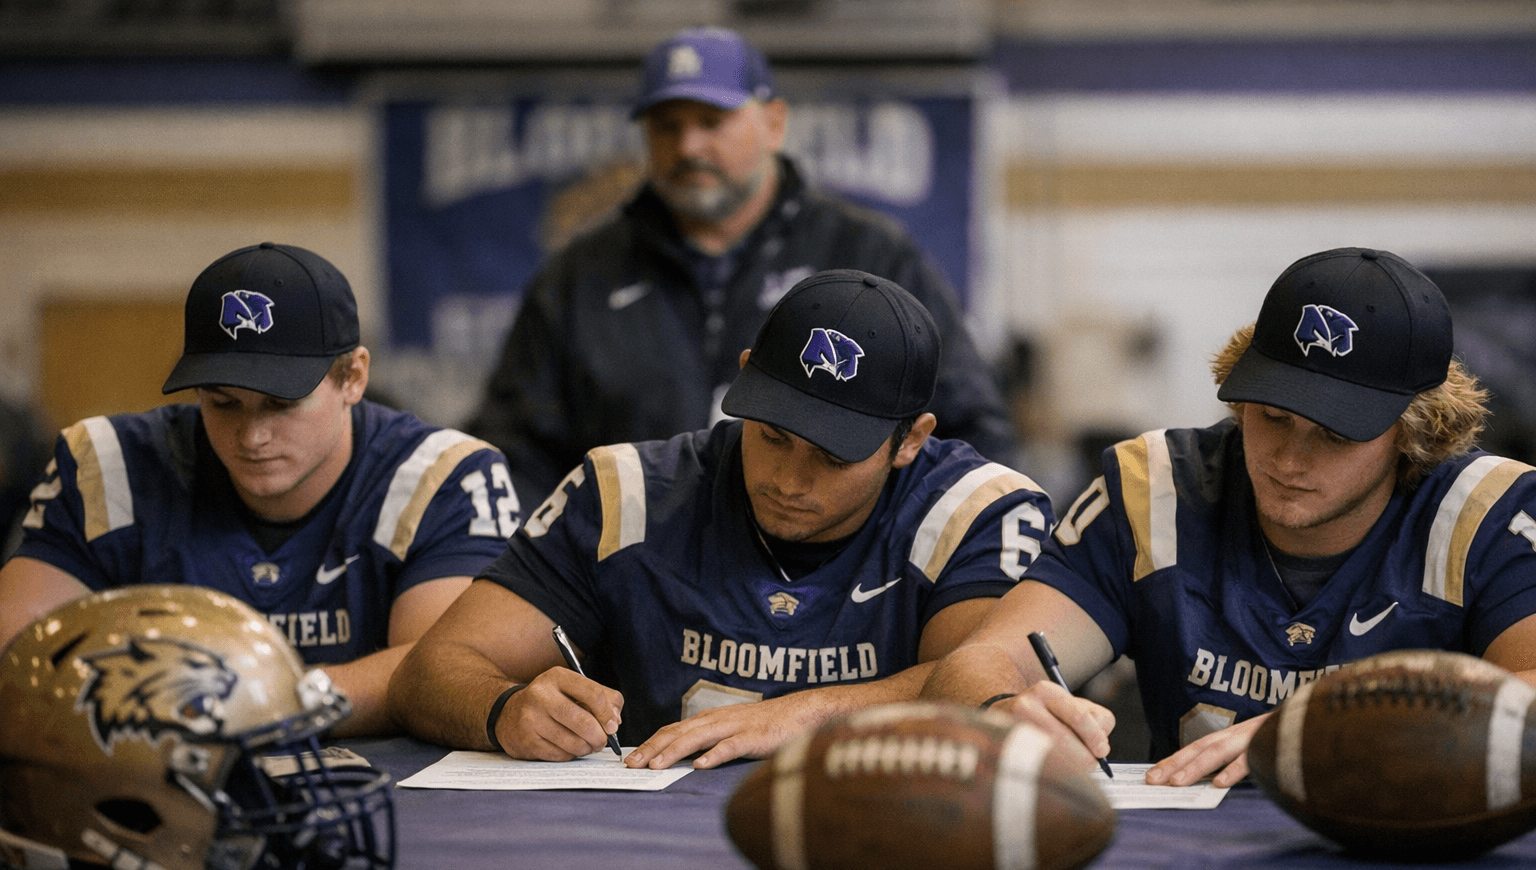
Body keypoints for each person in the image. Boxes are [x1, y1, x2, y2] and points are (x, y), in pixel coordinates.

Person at [922, 246, 1536, 786]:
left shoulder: (1486, 514)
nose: (1290, 459)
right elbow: (974, 663)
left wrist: (1324, 728)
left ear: (1415, 430)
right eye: (1272, 417)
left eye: (1335, 433)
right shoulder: (1154, 490)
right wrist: (1005, 707)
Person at [391, 270, 1052, 770]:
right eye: (772, 435)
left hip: (890, 837)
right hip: (643, 843)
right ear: (745, 381)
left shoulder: (977, 510)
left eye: (832, 454)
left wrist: (807, 714)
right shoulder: (627, 493)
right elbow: (431, 670)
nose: (791, 480)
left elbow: (982, 681)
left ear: (911, 439)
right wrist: (503, 709)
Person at [465, 25, 1015, 504]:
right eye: (666, 125)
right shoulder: (576, 278)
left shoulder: (871, 258)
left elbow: (968, 435)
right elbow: (516, 453)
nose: (689, 145)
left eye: (712, 120)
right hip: (625, 591)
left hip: (839, 593)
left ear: (774, 123)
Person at [0, 242, 519, 736]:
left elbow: (440, 674)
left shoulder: (444, 476)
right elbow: (17, 656)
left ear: (353, 377)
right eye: (222, 403)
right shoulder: (109, 467)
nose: (252, 436)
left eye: (280, 403)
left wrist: (237, 706)